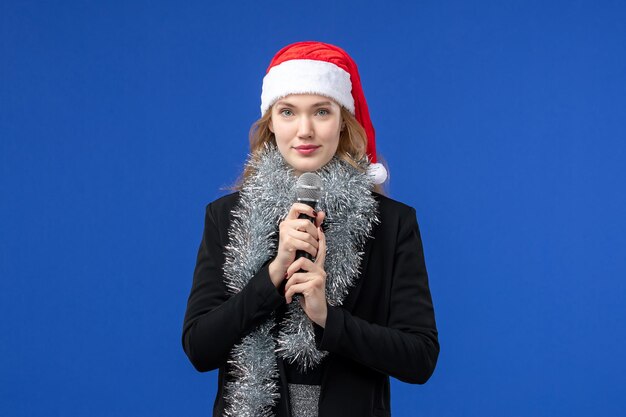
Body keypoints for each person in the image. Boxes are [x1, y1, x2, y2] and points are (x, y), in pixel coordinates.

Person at [182, 41, 439, 417]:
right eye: (288, 112)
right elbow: (199, 349)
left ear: (344, 121)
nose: (305, 130)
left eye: (321, 111)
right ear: (271, 123)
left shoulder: (392, 224)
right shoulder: (226, 217)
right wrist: (272, 275)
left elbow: (420, 359)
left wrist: (328, 318)